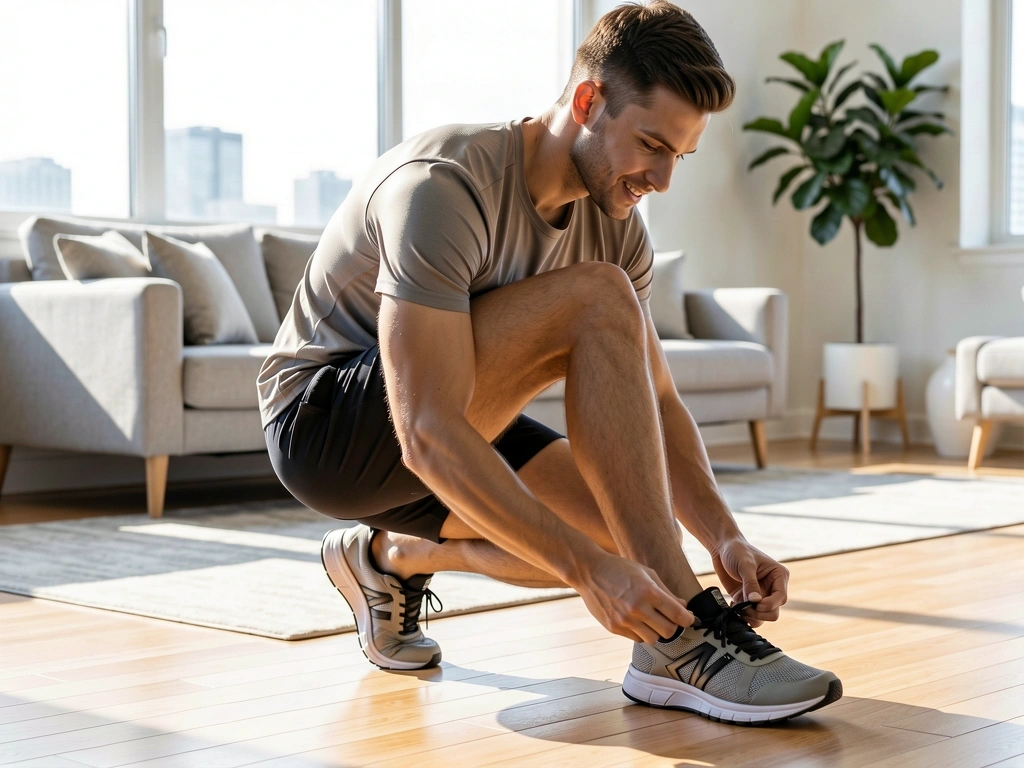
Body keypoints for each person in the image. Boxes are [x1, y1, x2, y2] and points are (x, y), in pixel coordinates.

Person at [258, 0, 841, 725]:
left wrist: (722, 533)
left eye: (678, 156)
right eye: (651, 144)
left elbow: (657, 403)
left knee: (620, 528)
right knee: (600, 303)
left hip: (458, 417)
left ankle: (389, 558)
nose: (662, 179)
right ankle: (684, 645)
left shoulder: (619, 227)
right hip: (329, 429)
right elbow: (425, 428)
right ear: (589, 101)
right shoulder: (444, 186)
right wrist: (587, 574)